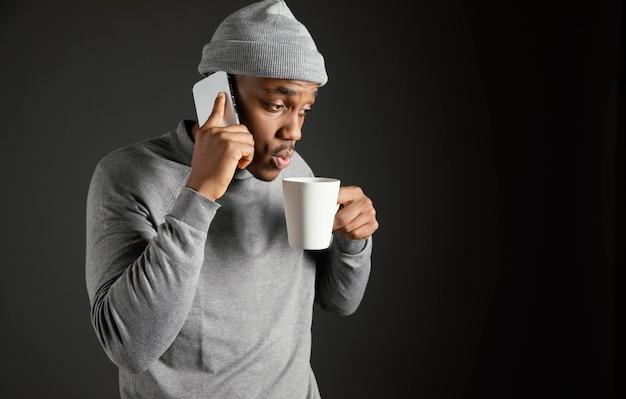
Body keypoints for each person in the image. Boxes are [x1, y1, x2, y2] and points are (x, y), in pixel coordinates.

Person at [85, 0, 379, 397]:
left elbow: (339, 301)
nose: (294, 131)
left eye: (305, 110)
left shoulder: (297, 173)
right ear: (217, 95)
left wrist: (353, 243)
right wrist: (200, 193)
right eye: (277, 105)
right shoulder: (128, 175)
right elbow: (129, 347)